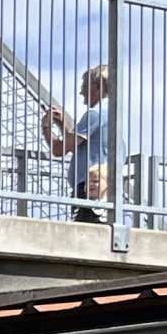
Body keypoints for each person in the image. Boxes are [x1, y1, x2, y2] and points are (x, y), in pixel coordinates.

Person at [44, 65, 112, 224]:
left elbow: (60, 149)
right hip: (107, 188)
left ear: (96, 87)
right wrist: (62, 124)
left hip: (90, 188)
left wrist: (46, 127)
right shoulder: (116, 114)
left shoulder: (96, 113)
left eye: (84, 86)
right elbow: (78, 143)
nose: (81, 91)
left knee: (83, 238)